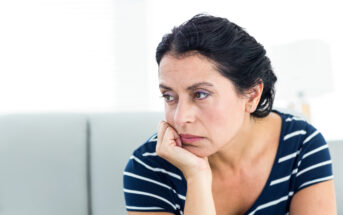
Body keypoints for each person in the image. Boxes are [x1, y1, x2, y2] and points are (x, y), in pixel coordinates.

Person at [123, 14, 337, 215]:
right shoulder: (149, 167)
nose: (180, 118)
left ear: (252, 95)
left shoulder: (301, 145)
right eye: (169, 96)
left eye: (200, 94)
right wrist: (196, 176)